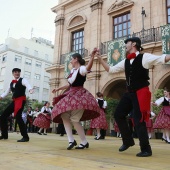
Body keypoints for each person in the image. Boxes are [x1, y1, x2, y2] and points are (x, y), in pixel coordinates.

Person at [94, 36, 170, 157]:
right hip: (129, 93)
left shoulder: (144, 57)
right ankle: (128, 141)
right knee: (118, 114)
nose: (125, 44)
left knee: (138, 120)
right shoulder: (126, 61)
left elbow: (162, 58)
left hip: (141, 92)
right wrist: (99, 58)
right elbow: (110, 69)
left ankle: (146, 149)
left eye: (127, 43)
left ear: (134, 44)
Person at [52, 50, 102, 150]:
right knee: (64, 115)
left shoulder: (82, 68)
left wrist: (92, 57)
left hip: (79, 95)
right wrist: (58, 89)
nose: (70, 61)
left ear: (76, 59)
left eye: (72, 59)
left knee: (74, 119)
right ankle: (71, 141)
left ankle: (84, 142)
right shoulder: (72, 71)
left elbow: (88, 68)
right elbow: (69, 84)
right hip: (71, 94)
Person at [0, 68, 33, 142]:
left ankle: (25, 137)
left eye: (18, 72)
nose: (17, 73)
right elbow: (6, 92)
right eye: (15, 72)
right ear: (13, 73)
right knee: (3, 116)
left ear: (20, 73)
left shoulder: (23, 80)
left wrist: (30, 90)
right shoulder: (11, 83)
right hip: (14, 101)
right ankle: (4, 135)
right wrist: (1, 97)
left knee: (18, 117)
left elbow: (28, 85)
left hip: (21, 100)